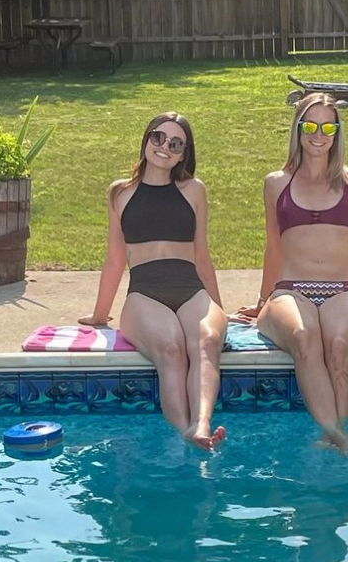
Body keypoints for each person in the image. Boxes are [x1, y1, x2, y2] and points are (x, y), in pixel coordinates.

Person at [240, 92, 348, 455]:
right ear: (298, 129)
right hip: (291, 290)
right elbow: (274, 249)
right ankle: (336, 434)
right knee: (305, 337)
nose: (318, 135)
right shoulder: (276, 183)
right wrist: (261, 303)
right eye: (310, 126)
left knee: (337, 346)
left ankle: (333, 432)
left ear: (337, 132)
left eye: (327, 128)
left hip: (342, 290)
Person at [79, 112, 228, 452]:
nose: (165, 147)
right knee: (171, 347)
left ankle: (202, 424)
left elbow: (202, 255)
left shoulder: (194, 190)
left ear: (184, 153)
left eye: (176, 144)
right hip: (145, 293)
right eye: (158, 137)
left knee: (206, 340)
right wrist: (100, 314)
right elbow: (115, 258)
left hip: (191, 288)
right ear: (147, 138)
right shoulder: (120, 192)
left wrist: (218, 307)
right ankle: (186, 431)